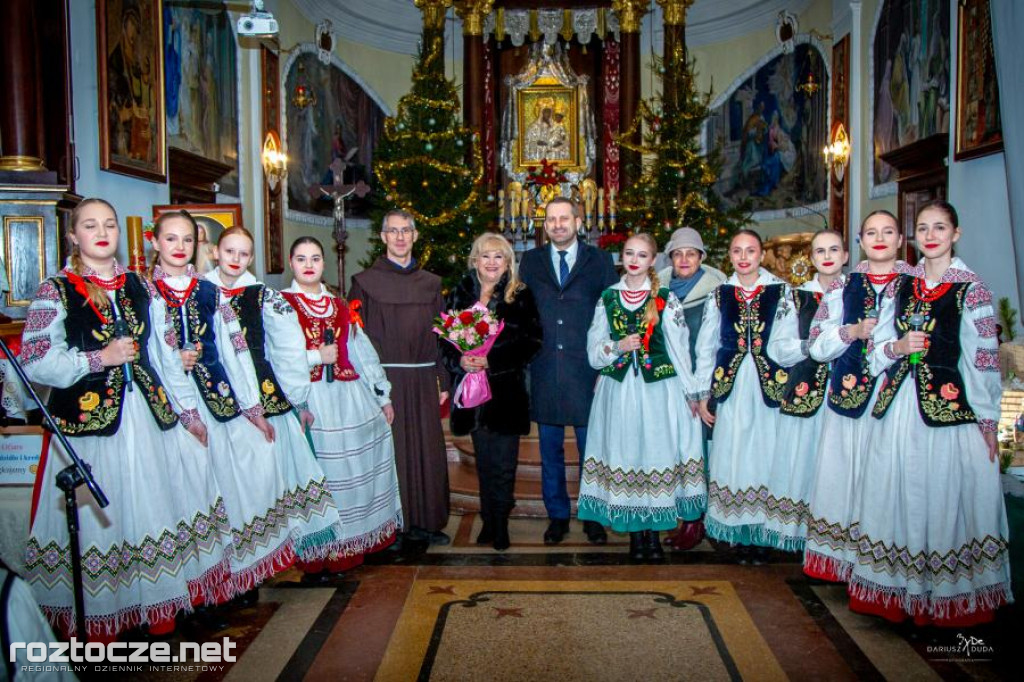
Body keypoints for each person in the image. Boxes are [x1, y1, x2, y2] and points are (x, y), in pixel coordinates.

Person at [19, 199, 231, 642]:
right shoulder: (54, 290)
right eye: (90, 226)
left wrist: (187, 406)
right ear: (73, 235)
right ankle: (103, 621)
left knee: (156, 506)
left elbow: (162, 350)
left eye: (110, 224)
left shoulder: (140, 285)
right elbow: (36, 361)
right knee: (104, 518)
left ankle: (157, 611)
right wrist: (99, 357)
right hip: (91, 425)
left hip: (149, 416)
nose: (102, 232)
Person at [849, 201, 1012, 626]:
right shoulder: (903, 283)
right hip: (899, 408)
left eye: (940, 227)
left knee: (940, 496)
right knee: (896, 494)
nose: (931, 234)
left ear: (956, 233)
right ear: (914, 235)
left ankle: (943, 601)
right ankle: (899, 595)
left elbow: (983, 360)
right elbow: (876, 348)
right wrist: (897, 348)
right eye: (922, 227)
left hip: (948, 411)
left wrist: (987, 421)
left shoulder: (971, 289)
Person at [150, 211, 294, 602]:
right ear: (155, 242)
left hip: (218, 400)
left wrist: (252, 407)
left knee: (238, 482)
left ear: (197, 246)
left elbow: (237, 350)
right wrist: (170, 361)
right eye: (171, 239)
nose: (179, 248)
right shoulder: (145, 292)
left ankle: (238, 577)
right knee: (191, 494)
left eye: (186, 241)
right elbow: (145, 350)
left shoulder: (210, 293)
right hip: (173, 408)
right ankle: (198, 589)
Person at [205, 227, 345, 575]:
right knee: (227, 488)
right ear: (214, 253)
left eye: (243, 253)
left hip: (263, 396)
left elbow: (287, 347)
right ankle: (228, 571)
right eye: (229, 251)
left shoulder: (263, 295)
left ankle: (262, 565)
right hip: (217, 399)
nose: (236, 259)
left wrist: (297, 398)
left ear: (251, 258)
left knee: (268, 481)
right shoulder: (199, 293)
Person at [580, 233, 706, 561]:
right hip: (619, 392)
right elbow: (594, 352)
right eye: (629, 253)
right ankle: (637, 536)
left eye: (642, 255)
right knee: (628, 454)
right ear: (622, 258)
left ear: (653, 261)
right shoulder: (608, 297)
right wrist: (616, 347)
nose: (635, 260)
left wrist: (692, 392)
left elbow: (680, 350)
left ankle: (653, 533)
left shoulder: (665, 298)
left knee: (655, 454)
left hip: (659, 392)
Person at [283, 237, 403, 572]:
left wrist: (382, 394)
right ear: (291, 262)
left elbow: (361, 351)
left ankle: (350, 544)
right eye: (302, 258)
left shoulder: (338, 304)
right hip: (310, 397)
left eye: (316, 258)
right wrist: (312, 360)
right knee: (324, 475)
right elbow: (277, 358)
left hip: (350, 396)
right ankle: (319, 551)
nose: (309, 265)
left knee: (356, 470)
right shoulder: (280, 305)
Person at [802, 211, 911, 582]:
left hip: (900, 401)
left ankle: (884, 572)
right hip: (848, 399)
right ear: (861, 241)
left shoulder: (918, 284)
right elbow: (817, 347)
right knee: (845, 477)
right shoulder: (841, 287)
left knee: (888, 481)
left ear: (900, 239)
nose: (879, 238)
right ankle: (846, 563)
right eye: (871, 232)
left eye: (888, 231)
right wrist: (848, 332)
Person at [695, 230, 800, 564]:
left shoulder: (781, 293)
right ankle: (740, 534)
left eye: (750, 251)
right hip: (733, 388)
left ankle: (763, 534)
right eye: (737, 251)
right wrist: (702, 393)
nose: (744, 257)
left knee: (767, 455)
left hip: (769, 387)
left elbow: (787, 342)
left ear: (760, 255)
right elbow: (706, 348)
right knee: (735, 454)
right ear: (729, 255)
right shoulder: (720, 294)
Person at [519, 197, 619, 545]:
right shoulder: (530, 261)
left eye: (564, 218)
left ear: (578, 222)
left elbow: (612, 313)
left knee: (592, 450)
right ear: (545, 226)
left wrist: (607, 366)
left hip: (587, 370)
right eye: (551, 220)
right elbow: (522, 313)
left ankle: (593, 516)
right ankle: (557, 516)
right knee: (549, 451)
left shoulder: (601, 260)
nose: (558, 225)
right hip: (545, 368)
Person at [349, 210, 451, 546]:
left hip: (423, 379)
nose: (400, 237)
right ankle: (390, 526)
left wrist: (443, 378)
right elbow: (355, 339)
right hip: (385, 382)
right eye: (392, 231)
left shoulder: (432, 284)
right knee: (389, 453)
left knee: (426, 451)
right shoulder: (363, 283)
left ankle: (427, 521)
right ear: (382, 237)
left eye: (406, 230)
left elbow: (443, 337)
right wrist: (370, 387)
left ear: (416, 235)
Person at [441, 233, 543, 551]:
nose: (491, 262)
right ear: (475, 260)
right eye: (486, 256)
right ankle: (488, 518)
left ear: (508, 262)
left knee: (503, 463)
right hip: (470, 395)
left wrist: (491, 359)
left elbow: (532, 342)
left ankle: (500, 522)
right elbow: (444, 341)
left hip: (505, 394)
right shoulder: (460, 294)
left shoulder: (520, 295)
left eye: (499, 256)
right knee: (484, 462)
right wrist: (461, 359)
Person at [762, 230, 847, 552]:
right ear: (811, 259)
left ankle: (836, 546)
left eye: (834, 249)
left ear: (845, 255)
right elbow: (778, 349)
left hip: (847, 396)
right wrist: (815, 347)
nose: (827, 256)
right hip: (805, 393)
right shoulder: (796, 298)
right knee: (805, 465)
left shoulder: (859, 294)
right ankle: (806, 545)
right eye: (820, 251)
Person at [656, 227, 726, 551]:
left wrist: (701, 392)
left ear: (701, 258)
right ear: (670, 258)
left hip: (702, 383)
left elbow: (711, 345)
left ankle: (698, 522)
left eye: (691, 253)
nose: (684, 259)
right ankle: (685, 516)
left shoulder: (715, 293)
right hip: (669, 384)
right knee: (679, 452)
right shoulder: (658, 291)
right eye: (678, 254)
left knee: (701, 450)